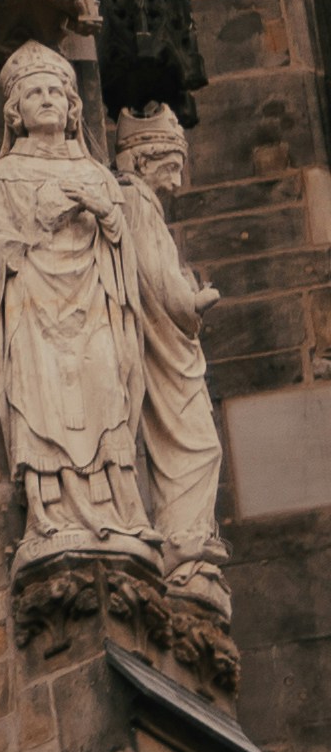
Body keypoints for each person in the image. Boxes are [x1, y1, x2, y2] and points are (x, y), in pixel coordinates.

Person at [0, 42, 151, 598]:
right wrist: (37, 225)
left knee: (106, 387)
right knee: (40, 395)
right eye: (35, 93)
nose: (47, 100)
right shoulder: (1, 176)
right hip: (33, 310)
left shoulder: (95, 172)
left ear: (73, 106)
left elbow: (123, 246)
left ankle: (116, 508)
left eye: (56, 91)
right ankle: (50, 513)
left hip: (93, 304)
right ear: (15, 111)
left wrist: (102, 213)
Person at [112, 98, 237, 679]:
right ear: (143, 159)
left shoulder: (141, 203)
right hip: (166, 347)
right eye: (171, 165)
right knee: (199, 447)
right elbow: (159, 284)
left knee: (198, 447)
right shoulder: (138, 202)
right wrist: (195, 301)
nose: (179, 179)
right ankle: (185, 551)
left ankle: (190, 552)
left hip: (169, 348)